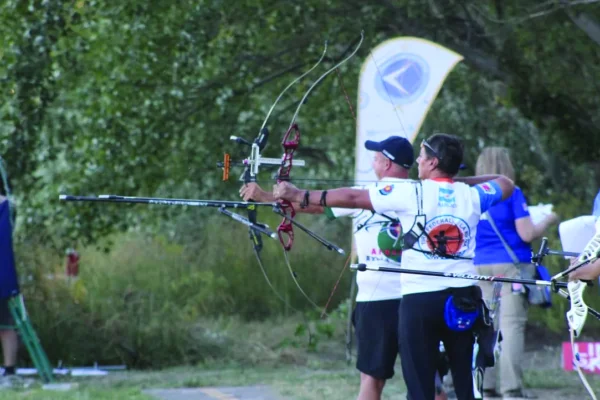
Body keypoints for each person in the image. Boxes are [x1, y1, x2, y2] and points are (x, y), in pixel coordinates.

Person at [273, 133, 515, 400]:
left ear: (433, 163)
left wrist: (300, 194)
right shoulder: (473, 195)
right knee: (464, 384)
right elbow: (504, 183)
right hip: (463, 299)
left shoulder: (410, 191)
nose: (418, 162)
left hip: (420, 301)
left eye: (422, 157)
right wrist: (453, 182)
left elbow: (354, 198)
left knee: (420, 387)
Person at [240, 136, 448, 400]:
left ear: (386, 163)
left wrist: (264, 196)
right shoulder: (424, 194)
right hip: (420, 299)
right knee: (429, 381)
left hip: (378, 301)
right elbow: (311, 206)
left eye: (375, 157)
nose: (373, 161)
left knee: (372, 380)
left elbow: (307, 207)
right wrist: (267, 196)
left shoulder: (362, 195)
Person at [472, 147, 558, 399]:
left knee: (485, 328)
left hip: (479, 266)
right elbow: (527, 234)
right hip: (510, 269)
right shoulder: (512, 193)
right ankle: (511, 388)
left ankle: (485, 385)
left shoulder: (473, 194)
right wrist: (548, 220)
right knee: (511, 328)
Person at [0, 191, 19, 385]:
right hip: (3, 274)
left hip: (2, 274)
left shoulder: (7, 206)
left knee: (6, 324)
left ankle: (9, 369)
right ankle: (9, 369)